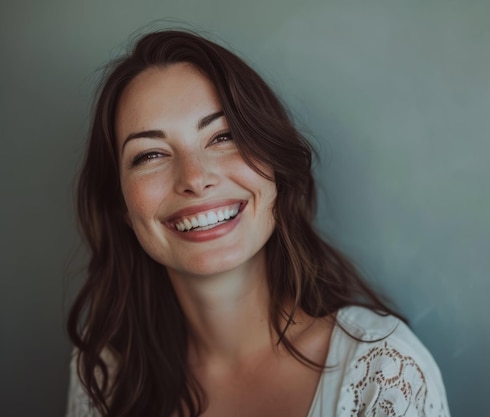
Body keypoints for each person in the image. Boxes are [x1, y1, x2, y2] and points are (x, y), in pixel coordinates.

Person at [65, 29, 451, 417]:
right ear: (122, 207)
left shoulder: (384, 372)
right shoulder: (103, 376)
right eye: (150, 155)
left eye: (222, 136)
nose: (195, 178)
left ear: (275, 170)